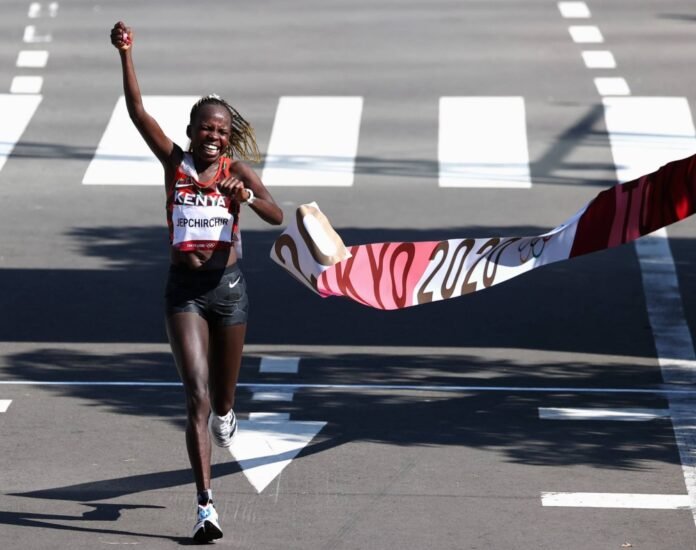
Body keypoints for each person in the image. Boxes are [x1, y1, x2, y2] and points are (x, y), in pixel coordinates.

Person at [110, 21, 283, 543]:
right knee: (196, 398)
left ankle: (229, 414)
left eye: (221, 131)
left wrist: (246, 197)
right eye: (205, 128)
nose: (213, 136)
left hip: (228, 292)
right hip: (182, 293)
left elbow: (276, 214)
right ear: (191, 131)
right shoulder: (175, 162)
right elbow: (139, 113)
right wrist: (126, 54)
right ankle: (206, 507)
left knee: (223, 402)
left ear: (228, 138)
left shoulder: (238, 171)